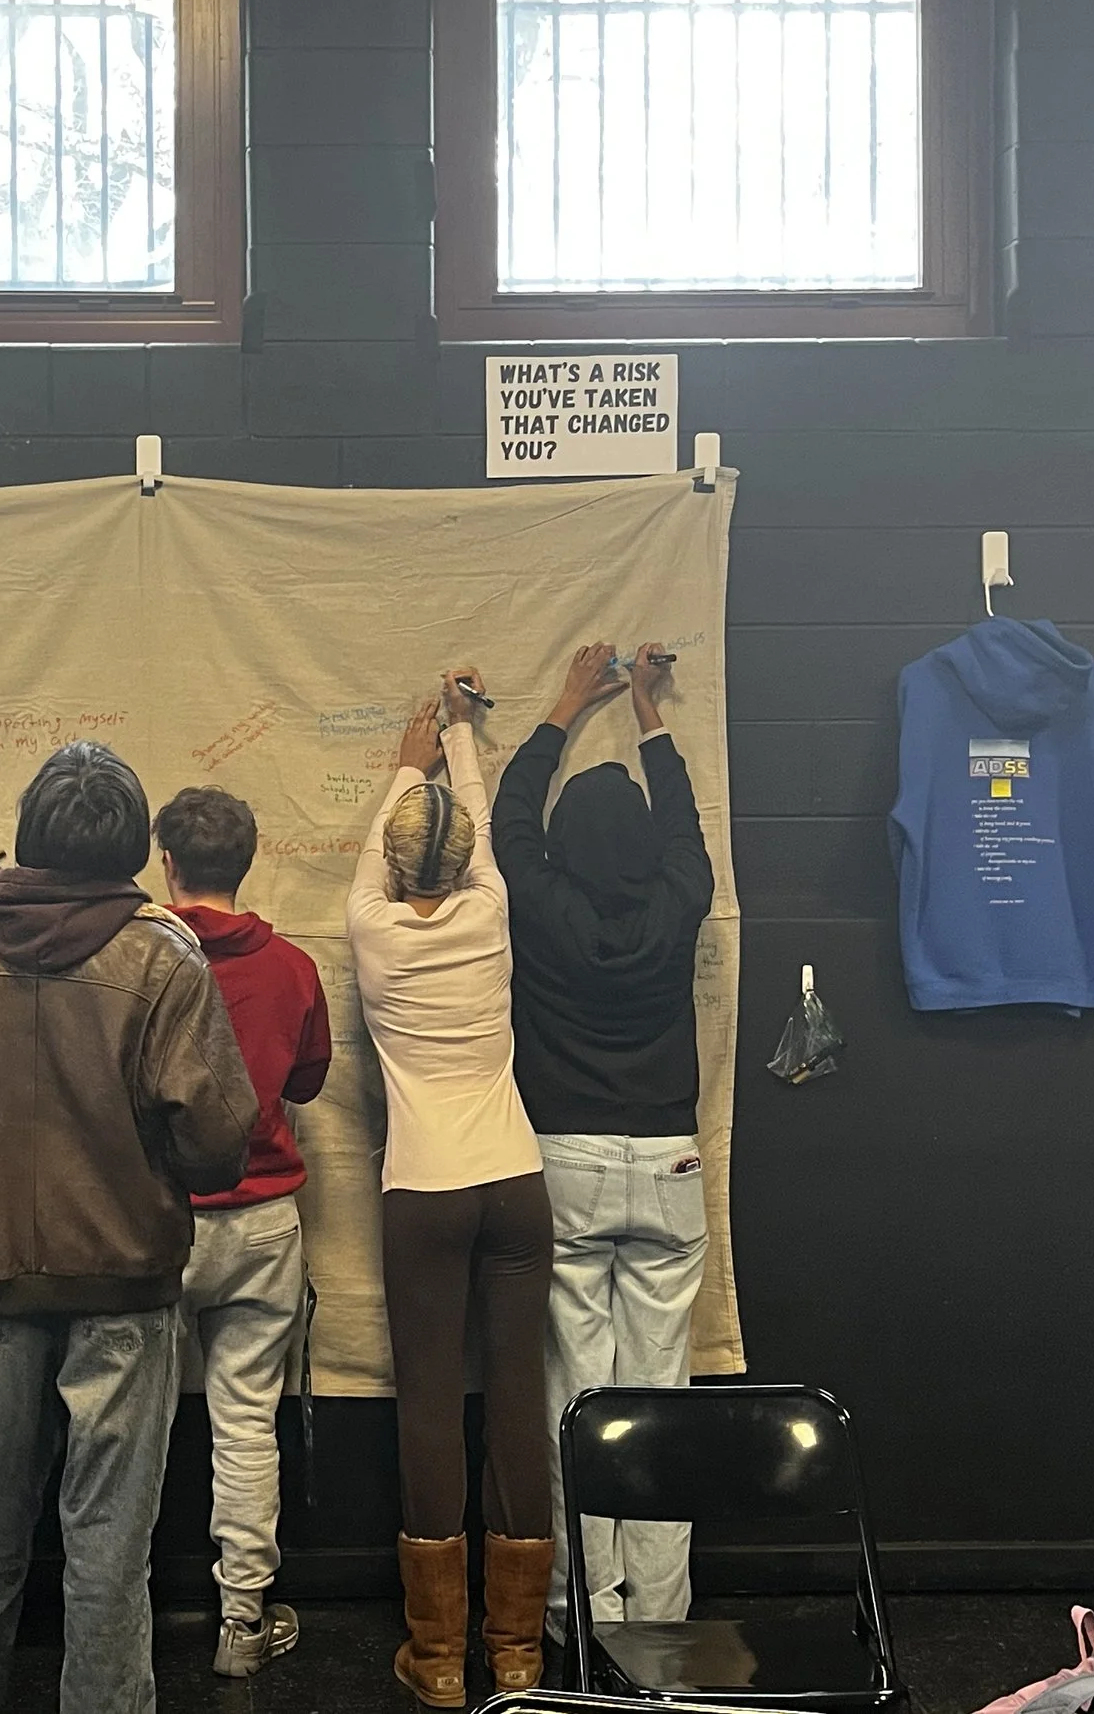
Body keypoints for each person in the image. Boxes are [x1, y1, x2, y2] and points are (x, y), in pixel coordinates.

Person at [0, 741, 258, 1714]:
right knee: (106, 1551)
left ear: (28, 836)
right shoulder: (164, 956)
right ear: (135, 845)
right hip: (124, 1287)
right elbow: (220, 1141)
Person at [493, 642, 715, 1633]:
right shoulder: (679, 901)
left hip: (568, 1160)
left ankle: (577, 1614)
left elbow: (507, 826)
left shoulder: (539, 906)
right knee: (656, 1397)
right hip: (668, 1158)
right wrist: (646, 713)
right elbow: (682, 830)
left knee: (572, 1394)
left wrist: (565, 703)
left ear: (564, 848)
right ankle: (659, 1620)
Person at [346, 674, 554, 1708]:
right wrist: (462, 737)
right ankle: (516, 1648)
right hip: (515, 1183)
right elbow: (473, 843)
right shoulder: (491, 908)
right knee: (516, 1396)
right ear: (468, 860)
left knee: (430, 1403)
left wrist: (405, 752)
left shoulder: (368, 927)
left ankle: (435, 1659)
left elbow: (398, 839)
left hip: (420, 1189)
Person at [153, 785, 334, 1679]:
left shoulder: (136, 962)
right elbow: (303, 1086)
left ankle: (114, 1612)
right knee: (246, 1423)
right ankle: (244, 1621)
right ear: (247, 862)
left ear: (166, 862)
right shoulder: (295, 968)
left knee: (130, 1422)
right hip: (263, 1218)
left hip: (158, 1219)